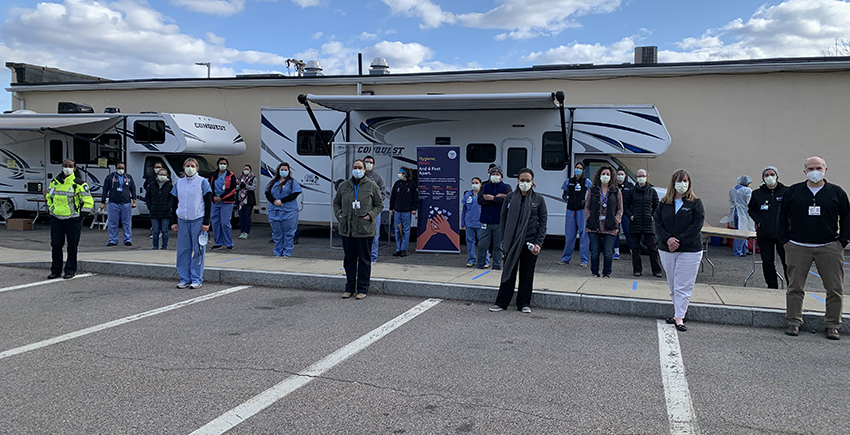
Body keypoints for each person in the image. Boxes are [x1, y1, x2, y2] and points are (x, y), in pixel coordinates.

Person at [778, 156, 849, 340]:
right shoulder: (793, 192)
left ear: (825, 170)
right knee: (795, 287)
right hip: (798, 246)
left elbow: (846, 217)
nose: (814, 171)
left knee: (835, 288)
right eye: (810, 168)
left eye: (818, 167)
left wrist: (842, 241)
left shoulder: (836, 192)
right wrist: (785, 241)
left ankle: (833, 325)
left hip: (829, 246)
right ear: (805, 172)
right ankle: (793, 322)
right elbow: (781, 217)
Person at [490, 168, 547, 313]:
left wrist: (538, 243)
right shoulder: (509, 198)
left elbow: (543, 222)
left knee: (527, 274)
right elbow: (503, 219)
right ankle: (502, 302)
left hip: (530, 243)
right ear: (517, 181)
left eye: (528, 180)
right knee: (508, 272)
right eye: (522, 180)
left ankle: (524, 304)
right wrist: (504, 239)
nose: (525, 183)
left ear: (533, 182)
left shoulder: (538, 199)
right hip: (511, 242)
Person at [655, 169, 705, 332]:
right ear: (673, 183)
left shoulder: (695, 203)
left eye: (685, 181)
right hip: (666, 249)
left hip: (689, 250)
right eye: (679, 181)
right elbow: (658, 223)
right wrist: (668, 239)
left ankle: (679, 317)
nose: (682, 184)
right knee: (673, 284)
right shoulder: (664, 203)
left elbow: (696, 225)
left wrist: (680, 241)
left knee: (683, 285)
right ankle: (678, 311)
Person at [333, 159, 383, 300]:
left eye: (360, 167)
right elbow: (336, 203)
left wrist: (370, 215)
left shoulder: (372, 186)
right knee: (349, 261)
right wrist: (339, 215)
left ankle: (362, 289)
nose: (357, 169)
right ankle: (349, 288)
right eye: (355, 167)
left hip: (365, 230)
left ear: (365, 170)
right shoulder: (344, 186)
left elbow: (379, 205)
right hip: (347, 229)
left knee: (364, 261)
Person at [46, 159, 94, 279]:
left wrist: (82, 214)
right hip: (56, 218)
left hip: (73, 219)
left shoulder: (79, 183)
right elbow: (49, 197)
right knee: (56, 245)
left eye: (70, 166)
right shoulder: (55, 182)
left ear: (75, 168)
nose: (67, 168)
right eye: (65, 166)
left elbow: (88, 200)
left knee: (72, 245)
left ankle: (70, 270)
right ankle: (55, 270)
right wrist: (51, 209)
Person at [170, 158, 212, 289]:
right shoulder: (179, 183)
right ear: (183, 168)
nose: (190, 168)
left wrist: (206, 222)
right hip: (182, 220)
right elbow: (174, 202)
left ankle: (196, 278)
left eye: (192, 166)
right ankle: (184, 278)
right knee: (183, 250)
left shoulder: (203, 182)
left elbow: (208, 202)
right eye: (187, 165)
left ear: (197, 168)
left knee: (198, 250)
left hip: (198, 219)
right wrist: (173, 221)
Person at [747, 166, 789, 289]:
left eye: (772, 174)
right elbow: (752, 210)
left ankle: (792, 287)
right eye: (766, 175)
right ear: (763, 178)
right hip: (764, 234)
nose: (769, 177)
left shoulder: (786, 191)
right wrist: (759, 221)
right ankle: (772, 286)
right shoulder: (757, 194)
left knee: (787, 262)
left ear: (777, 176)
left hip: (783, 234)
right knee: (768, 262)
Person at [584, 166, 623, 278]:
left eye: (608, 174)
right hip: (594, 224)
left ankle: (607, 273)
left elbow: (620, 208)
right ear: (599, 175)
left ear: (611, 177)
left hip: (610, 225)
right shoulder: (593, 190)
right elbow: (587, 207)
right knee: (595, 251)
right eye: (603, 174)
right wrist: (588, 217)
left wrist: (616, 219)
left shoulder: (616, 191)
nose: (605, 176)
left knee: (608, 252)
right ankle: (594, 272)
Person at [624, 169, 663, 278]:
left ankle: (656, 270)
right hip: (635, 223)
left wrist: (653, 216)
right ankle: (637, 270)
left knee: (652, 248)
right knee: (635, 248)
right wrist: (630, 215)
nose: (641, 177)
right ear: (636, 178)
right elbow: (626, 206)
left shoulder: (652, 191)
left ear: (647, 177)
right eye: (639, 176)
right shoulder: (632, 191)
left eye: (643, 175)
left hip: (648, 224)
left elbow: (657, 206)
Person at [476, 166, 511, 270]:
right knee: (482, 245)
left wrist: (493, 198)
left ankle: (497, 266)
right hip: (485, 222)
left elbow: (508, 200)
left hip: (499, 223)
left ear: (501, 176)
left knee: (498, 246)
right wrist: (499, 198)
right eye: (493, 174)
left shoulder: (506, 187)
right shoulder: (485, 186)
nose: (495, 176)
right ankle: (480, 265)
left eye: (497, 174)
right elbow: (480, 200)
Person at [266, 162, 302, 258]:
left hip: (289, 211)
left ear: (289, 171)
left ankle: (287, 253)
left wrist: (282, 201)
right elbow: (267, 194)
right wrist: (275, 202)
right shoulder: (273, 182)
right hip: (275, 210)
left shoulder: (292, 183)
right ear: (278, 171)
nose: (283, 171)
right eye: (282, 170)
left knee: (289, 233)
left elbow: (295, 194)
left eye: (285, 170)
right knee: (277, 233)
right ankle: (277, 252)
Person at [560, 162, 592, 267]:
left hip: (581, 211)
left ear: (583, 170)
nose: (577, 169)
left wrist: (586, 202)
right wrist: (566, 198)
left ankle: (584, 260)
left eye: (580, 168)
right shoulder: (569, 182)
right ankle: (565, 258)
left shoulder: (586, 182)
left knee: (584, 236)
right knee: (569, 237)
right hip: (570, 211)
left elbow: (591, 194)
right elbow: (564, 194)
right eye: (576, 167)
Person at [100, 161, 137, 247]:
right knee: (113, 222)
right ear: (116, 168)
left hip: (126, 203)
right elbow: (105, 190)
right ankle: (113, 240)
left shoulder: (128, 177)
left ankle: (127, 239)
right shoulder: (110, 177)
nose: (121, 170)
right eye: (119, 168)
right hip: (113, 202)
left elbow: (133, 189)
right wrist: (102, 202)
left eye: (122, 168)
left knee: (127, 222)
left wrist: (134, 200)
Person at [209, 157, 237, 250]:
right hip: (214, 202)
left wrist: (222, 197)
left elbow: (232, 189)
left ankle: (229, 243)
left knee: (225, 223)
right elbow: (210, 187)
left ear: (227, 165)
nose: (222, 165)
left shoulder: (231, 175)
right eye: (221, 163)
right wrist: (214, 197)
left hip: (227, 202)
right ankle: (218, 242)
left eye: (224, 163)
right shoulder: (213, 175)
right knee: (215, 222)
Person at [389, 167, 417, 257]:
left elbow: (415, 197)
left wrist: (414, 208)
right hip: (397, 210)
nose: (399, 174)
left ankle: (404, 249)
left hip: (407, 211)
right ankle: (398, 249)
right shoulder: (397, 184)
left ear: (405, 174)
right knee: (397, 230)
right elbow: (392, 196)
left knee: (406, 230)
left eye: (400, 173)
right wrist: (391, 208)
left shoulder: (411, 184)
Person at [363, 155, 386, 263]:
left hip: (375, 211)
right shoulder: (357, 178)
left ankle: (373, 258)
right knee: (361, 234)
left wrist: (374, 203)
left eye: (370, 162)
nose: (368, 164)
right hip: (361, 211)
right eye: (366, 162)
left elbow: (383, 195)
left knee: (375, 235)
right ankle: (362, 256)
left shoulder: (378, 178)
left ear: (373, 165)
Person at [725, 175, 754, 257]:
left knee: (741, 230)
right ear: (747, 183)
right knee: (741, 232)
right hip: (743, 213)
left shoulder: (732, 189)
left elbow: (731, 201)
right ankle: (737, 251)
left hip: (735, 212)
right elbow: (749, 202)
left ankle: (745, 249)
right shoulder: (748, 190)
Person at [145, 167, 173, 250]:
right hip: (154, 211)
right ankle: (155, 247)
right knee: (155, 231)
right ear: (157, 175)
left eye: (164, 175)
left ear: (167, 175)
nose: (162, 176)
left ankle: (164, 246)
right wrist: (150, 207)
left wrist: (168, 207)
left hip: (165, 212)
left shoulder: (169, 186)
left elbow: (172, 198)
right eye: (160, 174)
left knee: (165, 230)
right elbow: (148, 197)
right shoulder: (152, 185)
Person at [462, 177, 484, 267]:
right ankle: (471, 260)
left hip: (480, 222)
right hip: (469, 222)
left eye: (476, 182)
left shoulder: (483, 195)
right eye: (473, 182)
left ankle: (485, 261)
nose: (474, 184)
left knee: (482, 243)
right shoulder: (468, 194)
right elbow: (464, 210)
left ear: (480, 184)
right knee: (470, 242)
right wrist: (462, 222)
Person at [614, 168, 635, 260]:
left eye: (622, 174)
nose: (620, 176)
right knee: (615, 232)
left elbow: (633, 200)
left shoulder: (630, 186)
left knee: (628, 231)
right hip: (615, 213)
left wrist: (631, 213)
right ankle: (616, 252)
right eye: (618, 174)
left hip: (626, 213)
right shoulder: (613, 186)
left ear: (625, 175)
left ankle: (632, 250)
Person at [236, 164, 257, 239]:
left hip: (248, 200)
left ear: (250, 170)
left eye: (247, 169)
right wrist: (240, 186)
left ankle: (246, 232)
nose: (246, 170)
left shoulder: (253, 178)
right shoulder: (239, 178)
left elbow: (253, 187)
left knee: (247, 216)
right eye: (245, 169)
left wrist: (246, 186)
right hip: (240, 200)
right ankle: (242, 232)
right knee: (241, 216)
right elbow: (235, 187)